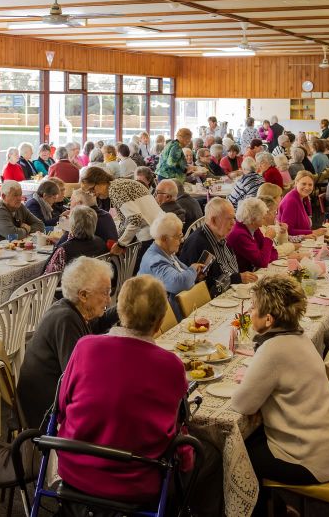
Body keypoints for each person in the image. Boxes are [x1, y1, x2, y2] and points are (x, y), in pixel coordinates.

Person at [55, 275, 191, 504]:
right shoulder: (171, 365)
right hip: (137, 482)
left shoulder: (85, 347)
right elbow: (175, 426)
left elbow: (61, 408)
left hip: (75, 469)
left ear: (120, 311)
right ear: (159, 323)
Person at [230, 275, 329, 517]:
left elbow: (242, 404)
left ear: (269, 318)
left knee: (239, 454)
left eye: (253, 308)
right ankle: (276, 509)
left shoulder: (274, 350)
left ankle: (268, 512)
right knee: (254, 440)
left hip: (317, 459)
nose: (250, 312)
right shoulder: (300, 337)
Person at [17, 257, 118, 428]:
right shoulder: (66, 320)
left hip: (52, 400)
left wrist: (122, 308)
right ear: (83, 295)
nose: (109, 300)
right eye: (105, 292)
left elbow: (97, 325)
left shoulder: (73, 310)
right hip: (45, 415)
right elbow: (77, 379)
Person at [180, 198, 257, 297]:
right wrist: (238, 278)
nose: (233, 223)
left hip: (231, 292)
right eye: (229, 219)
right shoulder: (199, 244)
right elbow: (206, 285)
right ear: (214, 220)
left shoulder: (221, 236)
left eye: (234, 218)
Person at [79, 167, 156, 255]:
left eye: (92, 189)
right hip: (155, 230)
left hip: (151, 234)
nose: (93, 194)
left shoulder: (115, 189)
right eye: (89, 192)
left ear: (100, 181)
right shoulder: (118, 184)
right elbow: (127, 220)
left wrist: (120, 244)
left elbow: (135, 219)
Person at [138, 213, 198, 320]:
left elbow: (185, 273)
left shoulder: (166, 252)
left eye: (181, 235)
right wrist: (193, 270)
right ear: (164, 239)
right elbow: (180, 283)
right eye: (178, 236)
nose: (182, 240)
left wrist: (194, 274)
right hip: (156, 319)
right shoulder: (156, 261)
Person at [44, 207, 108, 275]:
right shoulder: (100, 242)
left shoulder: (64, 249)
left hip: (71, 284)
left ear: (72, 224)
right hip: (95, 282)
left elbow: (49, 277)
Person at [227, 198, 278, 272]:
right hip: (242, 277)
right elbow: (262, 263)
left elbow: (274, 253)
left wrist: (265, 257)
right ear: (253, 219)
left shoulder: (253, 228)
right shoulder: (240, 234)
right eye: (262, 216)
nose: (264, 217)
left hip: (253, 272)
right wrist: (268, 238)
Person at [279, 171, 326, 238]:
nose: (307, 188)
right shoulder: (291, 201)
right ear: (296, 183)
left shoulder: (305, 198)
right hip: (292, 243)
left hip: (303, 239)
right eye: (303, 184)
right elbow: (288, 231)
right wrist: (313, 232)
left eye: (310, 185)